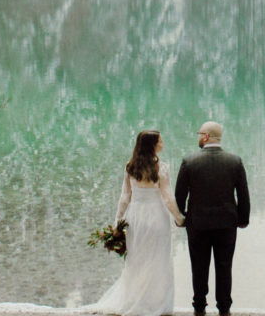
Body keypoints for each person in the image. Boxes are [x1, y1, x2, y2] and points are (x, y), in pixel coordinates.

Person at [90, 129, 185, 316]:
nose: (162, 143)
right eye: (160, 141)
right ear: (153, 145)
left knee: (137, 259)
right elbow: (167, 198)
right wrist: (179, 218)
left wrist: (117, 222)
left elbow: (125, 196)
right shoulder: (162, 168)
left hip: (136, 217)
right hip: (156, 216)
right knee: (159, 259)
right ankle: (155, 304)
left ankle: (135, 301)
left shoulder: (130, 166)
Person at [174, 121, 250, 316]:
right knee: (224, 265)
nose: (198, 137)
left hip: (197, 224)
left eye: (200, 133)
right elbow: (243, 194)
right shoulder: (235, 161)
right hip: (226, 223)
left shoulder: (189, 161)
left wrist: (182, 216)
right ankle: (224, 308)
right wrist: (243, 219)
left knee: (199, 266)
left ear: (206, 137)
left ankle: (199, 306)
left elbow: (179, 195)